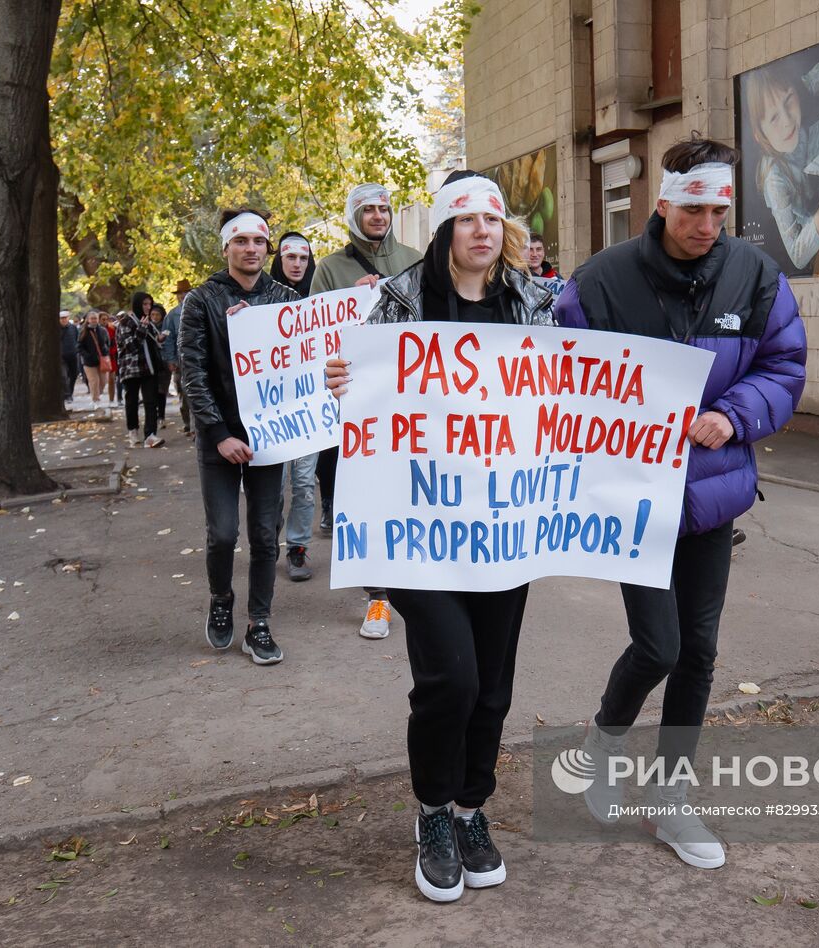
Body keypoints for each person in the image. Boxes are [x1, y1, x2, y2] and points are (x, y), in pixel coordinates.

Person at [555, 138, 807, 870]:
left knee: (698, 651)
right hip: (635, 493)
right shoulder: (598, 282)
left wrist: (734, 414)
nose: (707, 224)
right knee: (659, 646)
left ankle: (670, 801)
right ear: (661, 202)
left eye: (719, 210)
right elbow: (561, 372)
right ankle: (605, 739)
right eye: (693, 208)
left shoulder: (756, 276)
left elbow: (783, 363)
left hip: (713, 491)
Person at [325, 170, 555, 903]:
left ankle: (469, 809)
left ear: (503, 231)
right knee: (449, 678)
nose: (482, 232)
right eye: (466, 220)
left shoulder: (533, 306)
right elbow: (360, 408)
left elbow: (564, 402)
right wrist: (342, 384)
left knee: (492, 686)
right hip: (418, 529)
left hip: (503, 529)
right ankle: (431, 812)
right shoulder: (398, 305)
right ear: (447, 232)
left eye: (492, 220)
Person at [180, 208, 302, 666]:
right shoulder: (202, 300)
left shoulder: (285, 299)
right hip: (221, 440)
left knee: (267, 537)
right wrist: (217, 434)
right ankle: (219, 597)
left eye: (258, 241)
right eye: (241, 241)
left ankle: (259, 623)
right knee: (223, 534)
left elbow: (308, 357)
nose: (250, 249)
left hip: (272, 437)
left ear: (266, 247)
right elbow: (193, 372)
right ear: (227, 247)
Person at [312, 183, 424, 638]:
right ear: (353, 216)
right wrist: (351, 308)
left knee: (416, 495)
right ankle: (378, 598)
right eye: (368, 209)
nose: (378, 216)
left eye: (384, 208)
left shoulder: (416, 258)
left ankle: (422, 589)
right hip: (358, 406)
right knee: (368, 503)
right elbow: (314, 338)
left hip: (414, 401)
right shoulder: (330, 269)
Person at [744, 59, 819, 269]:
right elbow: (797, 255)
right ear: (760, 136)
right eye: (774, 117)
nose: (787, 120)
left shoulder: (800, 88)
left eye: (789, 100)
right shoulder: (774, 180)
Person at [271, 231, 318, 582]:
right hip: (272, 411)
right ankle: (267, 538)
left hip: (310, 410)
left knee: (303, 484)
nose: (298, 264)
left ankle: (297, 547)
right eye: (291, 258)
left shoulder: (322, 300)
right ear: (280, 260)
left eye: (304, 258)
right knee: (272, 485)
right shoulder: (261, 300)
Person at [117, 292, 164, 448]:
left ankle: (150, 435)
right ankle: (133, 430)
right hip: (131, 369)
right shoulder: (125, 322)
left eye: (149, 304)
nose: (148, 307)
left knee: (151, 402)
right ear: (137, 304)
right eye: (144, 304)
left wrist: (159, 338)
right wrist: (142, 328)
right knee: (132, 401)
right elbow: (132, 347)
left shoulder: (148, 322)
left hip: (149, 368)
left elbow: (151, 343)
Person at [162, 279, 193, 438]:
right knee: (184, 395)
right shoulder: (172, 315)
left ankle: (196, 428)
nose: (182, 296)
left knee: (196, 393)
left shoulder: (198, 309)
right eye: (180, 293)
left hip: (197, 360)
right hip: (180, 361)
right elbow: (168, 339)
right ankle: (188, 424)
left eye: (185, 292)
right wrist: (170, 359)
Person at [77, 310, 111, 410]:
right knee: (94, 381)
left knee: (103, 381)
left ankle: (97, 395)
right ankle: (95, 400)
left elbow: (107, 343)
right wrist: (86, 355)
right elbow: (79, 346)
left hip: (102, 360)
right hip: (89, 362)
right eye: (92, 318)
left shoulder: (103, 330)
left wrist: (105, 352)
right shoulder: (83, 331)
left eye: (95, 318)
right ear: (88, 320)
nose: (94, 320)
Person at [150, 303, 172, 427]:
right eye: (152, 314)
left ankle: (161, 416)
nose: (155, 317)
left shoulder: (167, 326)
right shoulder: (148, 326)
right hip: (152, 362)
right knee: (152, 390)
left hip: (164, 362)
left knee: (162, 390)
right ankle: (154, 416)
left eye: (157, 314)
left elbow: (168, 340)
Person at [59, 310, 80, 409]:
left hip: (73, 356)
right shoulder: (57, 329)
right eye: (62, 318)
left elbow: (77, 339)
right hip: (61, 357)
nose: (63, 320)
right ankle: (67, 395)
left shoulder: (73, 328)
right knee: (64, 376)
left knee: (74, 375)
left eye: (65, 318)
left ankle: (70, 393)